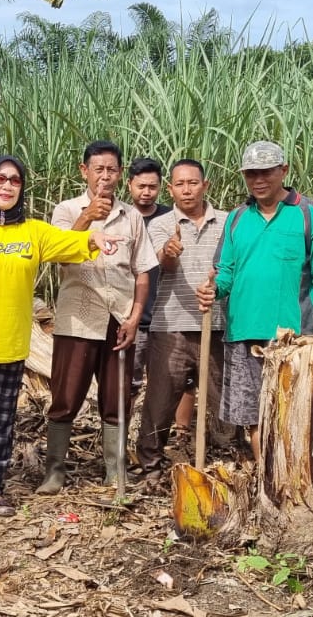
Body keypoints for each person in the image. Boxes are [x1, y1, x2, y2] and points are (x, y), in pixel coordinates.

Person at [0, 156, 121, 528]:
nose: (6, 186)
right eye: (0, 179)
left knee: (1, 423)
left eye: (14, 181)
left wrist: (93, 238)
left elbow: (68, 243)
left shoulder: (31, 231)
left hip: (11, 344)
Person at [195, 140, 313, 458]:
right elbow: (225, 272)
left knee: (294, 415)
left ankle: (297, 484)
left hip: (294, 338)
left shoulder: (308, 214)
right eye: (251, 174)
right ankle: (267, 483)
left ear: (283, 170)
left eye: (266, 172)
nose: (258, 180)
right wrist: (212, 289)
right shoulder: (236, 218)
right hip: (244, 331)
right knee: (254, 417)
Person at [39, 141, 159, 495]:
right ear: (84, 171)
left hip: (119, 317)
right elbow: (59, 254)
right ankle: (54, 471)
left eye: (111, 170)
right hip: (78, 318)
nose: (105, 177)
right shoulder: (66, 210)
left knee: (116, 396)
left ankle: (114, 470)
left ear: (120, 174)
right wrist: (88, 217)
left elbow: (141, 272)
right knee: (65, 395)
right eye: (98, 169)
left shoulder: (132, 216)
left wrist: (135, 317)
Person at [136, 159, 232, 472]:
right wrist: (169, 253)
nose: (187, 190)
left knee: (223, 400)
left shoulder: (229, 223)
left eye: (193, 183)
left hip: (217, 326)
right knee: (160, 400)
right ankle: (150, 463)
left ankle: (227, 461)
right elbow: (160, 263)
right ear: (171, 189)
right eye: (180, 184)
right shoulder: (161, 225)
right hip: (171, 326)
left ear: (206, 185)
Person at [126, 157, 169, 395]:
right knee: (127, 384)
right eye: (141, 186)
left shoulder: (170, 218)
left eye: (152, 187)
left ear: (161, 187)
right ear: (129, 184)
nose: (146, 192)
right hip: (132, 318)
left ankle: (179, 432)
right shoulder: (121, 217)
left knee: (174, 383)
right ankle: (122, 432)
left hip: (165, 318)